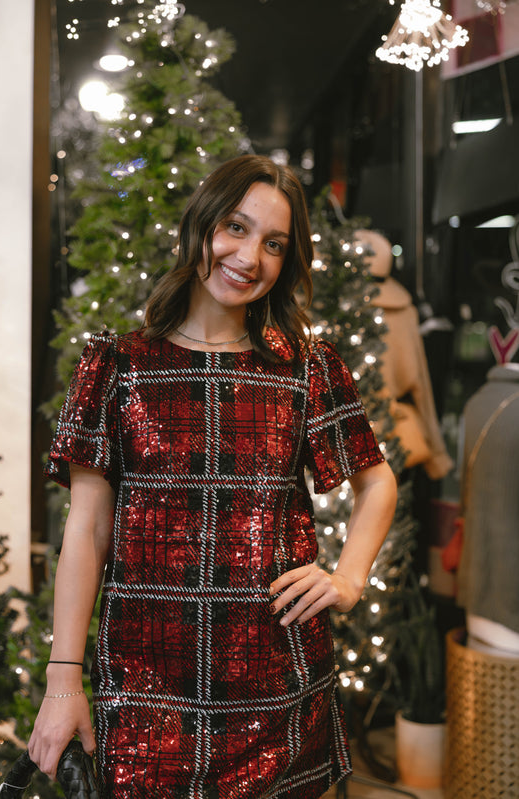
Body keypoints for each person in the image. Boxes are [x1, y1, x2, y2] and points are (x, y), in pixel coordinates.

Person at [28, 155, 397, 798]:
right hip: (143, 689)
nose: (249, 257)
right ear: (201, 225)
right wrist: (63, 681)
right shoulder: (117, 365)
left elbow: (377, 482)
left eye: (274, 244)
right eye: (235, 227)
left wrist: (348, 578)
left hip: (279, 686)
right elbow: (86, 531)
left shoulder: (306, 367)